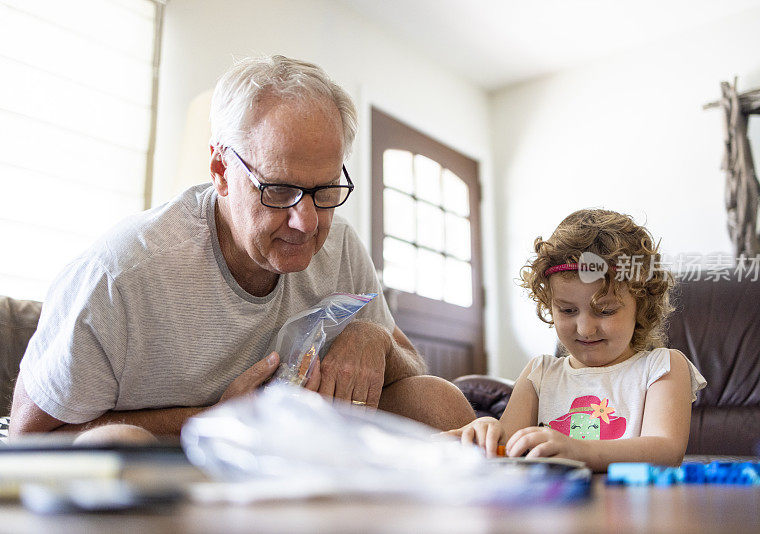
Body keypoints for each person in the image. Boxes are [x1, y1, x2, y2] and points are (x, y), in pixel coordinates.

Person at [10, 55, 476, 442]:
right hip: (167, 466)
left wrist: (372, 338)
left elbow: (412, 366)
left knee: (442, 403)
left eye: (325, 189)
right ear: (220, 170)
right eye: (278, 190)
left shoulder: (341, 249)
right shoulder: (122, 275)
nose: (307, 222)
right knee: (114, 444)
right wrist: (212, 419)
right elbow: (28, 441)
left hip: (290, 454)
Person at [447, 209, 706, 471]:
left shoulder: (662, 366)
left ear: (641, 306)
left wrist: (578, 450)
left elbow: (666, 450)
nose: (584, 329)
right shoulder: (540, 373)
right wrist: (488, 433)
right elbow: (509, 449)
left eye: (605, 311)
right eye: (567, 310)